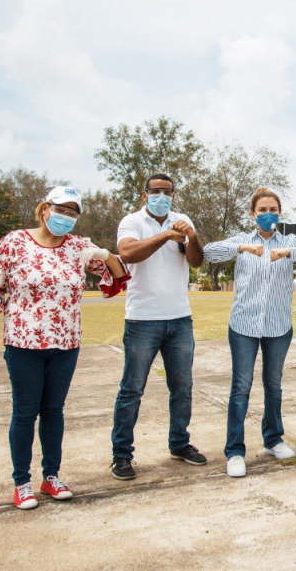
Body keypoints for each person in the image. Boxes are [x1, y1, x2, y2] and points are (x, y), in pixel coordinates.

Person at [0, 186, 128, 510]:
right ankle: (21, 482)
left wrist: (103, 254)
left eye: (72, 213)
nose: (66, 217)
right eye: (61, 210)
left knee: (53, 410)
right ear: (44, 209)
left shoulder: (78, 246)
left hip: (66, 343)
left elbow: (120, 275)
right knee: (25, 412)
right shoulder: (14, 242)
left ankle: (50, 476)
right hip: (24, 343)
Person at [204, 188, 296, 478]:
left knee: (273, 385)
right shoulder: (242, 240)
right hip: (243, 326)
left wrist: (289, 252)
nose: (268, 214)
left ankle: (273, 439)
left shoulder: (289, 241)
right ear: (253, 214)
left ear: (279, 213)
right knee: (241, 387)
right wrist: (242, 249)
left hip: (278, 326)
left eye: (273, 209)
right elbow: (209, 252)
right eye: (262, 209)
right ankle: (235, 451)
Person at [110, 173, 206, 480]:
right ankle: (122, 455)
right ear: (144, 194)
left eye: (167, 192)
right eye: (156, 191)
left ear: (174, 195)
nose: (162, 196)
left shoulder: (181, 220)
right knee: (132, 389)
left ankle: (179, 443)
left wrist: (192, 236)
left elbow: (196, 262)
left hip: (179, 318)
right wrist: (164, 235)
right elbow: (127, 253)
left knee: (182, 388)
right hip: (142, 319)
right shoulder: (132, 222)